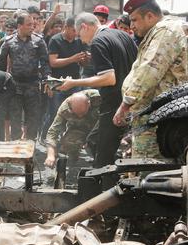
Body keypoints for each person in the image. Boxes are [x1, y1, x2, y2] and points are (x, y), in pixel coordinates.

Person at [113, 0, 188, 159]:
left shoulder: (165, 32)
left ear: (149, 16)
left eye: (134, 20)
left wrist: (126, 103)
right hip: (151, 116)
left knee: (149, 170)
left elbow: (149, 71)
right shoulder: (158, 31)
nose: (131, 26)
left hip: (157, 119)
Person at [58, 13, 138, 167]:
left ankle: (107, 185)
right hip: (130, 100)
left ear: (84, 27)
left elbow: (109, 78)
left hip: (114, 104)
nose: (81, 40)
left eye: (79, 34)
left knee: (103, 154)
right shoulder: (123, 35)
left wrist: (73, 82)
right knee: (95, 141)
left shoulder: (98, 42)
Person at [0, 13, 50, 140]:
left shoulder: (39, 41)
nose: (32, 27)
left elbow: (46, 63)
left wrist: (47, 80)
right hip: (15, 86)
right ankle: (15, 149)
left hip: (33, 86)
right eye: (29, 24)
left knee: (33, 119)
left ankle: (30, 148)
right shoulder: (8, 42)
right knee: (15, 119)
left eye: (33, 25)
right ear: (19, 25)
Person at [42, 16, 87, 139]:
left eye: (77, 30)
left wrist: (85, 59)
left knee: (74, 114)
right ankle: (46, 137)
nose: (75, 33)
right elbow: (53, 62)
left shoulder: (79, 41)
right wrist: (73, 59)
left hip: (73, 82)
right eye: (73, 30)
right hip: (56, 83)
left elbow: (82, 63)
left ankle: (67, 140)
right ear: (66, 27)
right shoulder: (55, 40)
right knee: (55, 113)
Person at [45, 90, 102, 167]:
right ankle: (73, 159)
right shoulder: (65, 108)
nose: (80, 116)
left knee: (101, 143)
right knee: (69, 141)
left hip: (100, 126)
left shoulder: (98, 97)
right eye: (77, 114)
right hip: (81, 128)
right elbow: (53, 132)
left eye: (82, 113)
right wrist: (50, 155)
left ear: (89, 103)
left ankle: (102, 158)